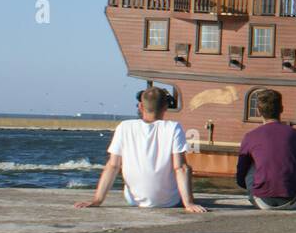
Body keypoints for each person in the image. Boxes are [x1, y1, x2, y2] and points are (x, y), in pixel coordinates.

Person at [75, 86, 205, 213]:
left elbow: (113, 166)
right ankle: (187, 199)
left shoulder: (124, 127)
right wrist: (189, 203)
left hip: (134, 201)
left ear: (140, 106)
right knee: (186, 168)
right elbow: (180, 167)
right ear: (166, 107)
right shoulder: (173, 127)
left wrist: (97, 200)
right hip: (168, 202)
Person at [235, 89, 296, 209]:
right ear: (282, 109)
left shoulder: (250, 136)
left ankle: (260, 192)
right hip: (292, 200)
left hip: (262, 201)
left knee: (252, 163)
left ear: (258, 111)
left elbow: (240, 175)